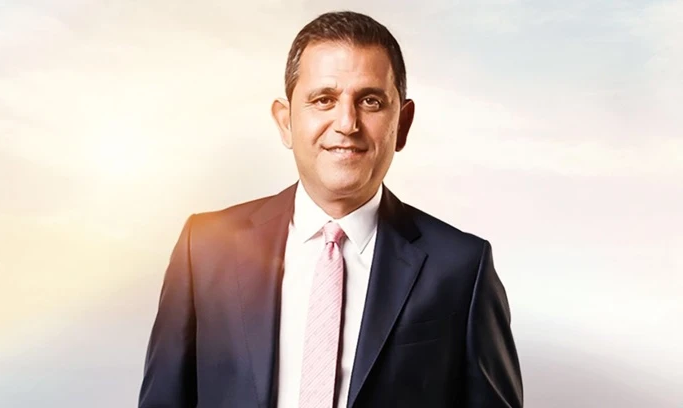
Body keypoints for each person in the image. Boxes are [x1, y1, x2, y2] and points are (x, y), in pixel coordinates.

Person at [138, 10, 523, 408]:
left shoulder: (461, 268)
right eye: (324, 100)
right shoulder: (204, 248)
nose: (347, 123)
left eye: (370, 101)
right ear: (285, 122)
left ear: (403, 123)